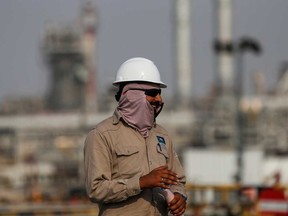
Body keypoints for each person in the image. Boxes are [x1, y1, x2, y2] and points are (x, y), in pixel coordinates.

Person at [84, 57, 187, 216]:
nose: (159, 99)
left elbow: (178, 180)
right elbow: (96, 189)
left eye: (160, 93)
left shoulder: (163, 135)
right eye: (153, 93)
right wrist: (141, 182)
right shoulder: (102, 135)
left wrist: (180, 196)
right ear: (132, 95)